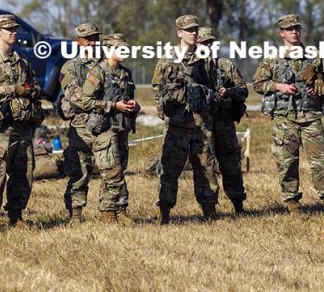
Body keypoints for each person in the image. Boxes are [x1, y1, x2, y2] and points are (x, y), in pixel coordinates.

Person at [252, 14, 324, 214]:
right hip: (284, 118)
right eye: (290, 29)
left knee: (321, 162)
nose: (294, 32)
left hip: (311, 117)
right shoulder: (273, 59)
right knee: (286, 162)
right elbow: (257, 84)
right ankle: (293, 205)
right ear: (282, 33)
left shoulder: (315, 56)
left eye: (297, 28)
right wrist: (277, 86)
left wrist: (320, 84)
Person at [152, 15, 219, 224]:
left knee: (206, 168)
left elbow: (215, 89)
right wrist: (166, 109)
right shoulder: (167, 60)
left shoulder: (205, 60)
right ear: (179, 33)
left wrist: (204, 95)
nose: (194, 33)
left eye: (195, 29)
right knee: (170, 169)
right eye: (188, 30)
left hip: (201, 124)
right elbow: (157, 89)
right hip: (177, 124)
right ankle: (164, 211)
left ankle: (209, 210)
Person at [80, 33, 140, 223]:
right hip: (104, 128)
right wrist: (113, 106)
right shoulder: (98, 72)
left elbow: (127, 97)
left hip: (122, 128)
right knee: (112, 172)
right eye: (120, 48)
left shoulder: (126, 73)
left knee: (119, 169)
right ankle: (107, 214)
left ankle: (119, 210)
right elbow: (85, 101)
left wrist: (133, 106)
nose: (124, 52)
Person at [197, 27, 248, 214]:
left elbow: (243, 90)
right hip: (202, 124)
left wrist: (229, 92)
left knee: (231, 164)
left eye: (210, 42)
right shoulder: (192, 68)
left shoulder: (225, 65)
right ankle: (209, 208)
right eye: (204, 43)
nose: (208, 46)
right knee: (206, 165)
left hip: (224, 123)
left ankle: (238, 204)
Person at [0, 14, 44, 227]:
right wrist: (12, 89)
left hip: (22, 126)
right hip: (1, 128)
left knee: (23, 173)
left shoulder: (23, 63)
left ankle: (16, 216)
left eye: (15, 29)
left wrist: (31, 91)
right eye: (9, 29)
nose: (14, 32)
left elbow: (36, 86)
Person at [58, 22, 102, 223]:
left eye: (95, 38)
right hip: (80, 126)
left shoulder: (105, 64)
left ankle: (111, 213)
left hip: (104, 124)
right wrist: (107, 103)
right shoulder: (70, 67)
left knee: (112, 170)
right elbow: (76, 97)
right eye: (88, 39)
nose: (92, 43)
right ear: (79, 42)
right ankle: (75, 214)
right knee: (80, 171)